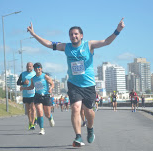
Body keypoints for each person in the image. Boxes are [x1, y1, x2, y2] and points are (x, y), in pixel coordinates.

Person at [27, 17, 125, 147]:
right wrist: (34, 35)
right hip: (73, 84)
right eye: (71, 34)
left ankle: (90, 129)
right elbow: (49, 43)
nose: (73, 36)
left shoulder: (89, 45)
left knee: (89, 111)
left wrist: (118, 30)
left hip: (89, 85)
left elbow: (106, 41)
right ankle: (78, 136)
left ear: (81, 35)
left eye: (76, 34)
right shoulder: (66, 47)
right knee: (75, 108)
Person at [20, 62, 55, 135]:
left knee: (47, 113)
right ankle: (42, 129)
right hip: (38, 96)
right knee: (39, 111)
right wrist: (24, 88)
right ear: (34, 70)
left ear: (41, 69)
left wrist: (51, 89)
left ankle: (50, 118)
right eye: (36, 68)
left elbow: (52, 84)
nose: (37, 69)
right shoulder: (33, 79)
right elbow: (31, 87)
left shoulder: (45, 76)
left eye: (39, 68)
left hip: (46, 96)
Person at [17, 62, 37, 130]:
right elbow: (18, 82)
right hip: (26, 94)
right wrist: (23, 83)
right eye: (28, 66)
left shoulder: (35, 74)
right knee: (28, 110)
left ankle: (33, 124)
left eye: (30, 66)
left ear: (32, 67)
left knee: (33, 108)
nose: (29, 68)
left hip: (34, 94)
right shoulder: (23, 74)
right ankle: (30, 122)